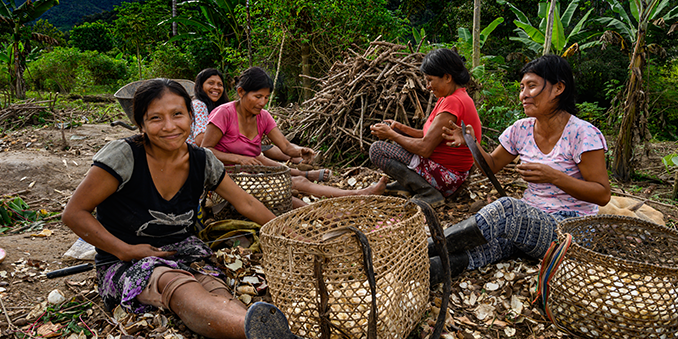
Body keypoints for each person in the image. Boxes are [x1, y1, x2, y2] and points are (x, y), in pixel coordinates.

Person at [62, 79, 310, 339]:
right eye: (156, 118)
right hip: (125, 260)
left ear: (192, 119)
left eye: (178, 115)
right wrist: (126, 250)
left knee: (215, 288)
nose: (169, 126)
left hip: (184, 248)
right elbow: (74, 214)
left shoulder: (201, 160)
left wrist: (283, 233)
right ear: (141, 124)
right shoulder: (124, 156)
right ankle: (266, 332)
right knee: (173, 282)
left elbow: (244, 202)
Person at [430, 54, 611, 283]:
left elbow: (602, 194)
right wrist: (471, 143)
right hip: (531, 222)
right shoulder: (521, 129)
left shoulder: (583, 134)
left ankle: (425, 247)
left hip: (570, 232)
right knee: (490, 245)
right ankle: (423, 268)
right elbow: (491, 166)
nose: (523, 95)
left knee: (507, 210)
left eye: (532, 86)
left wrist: (554, 176)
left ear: (558, 88)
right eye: (522, 87)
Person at [201, 67, 388, 207]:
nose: (263, 103)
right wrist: (239, 159)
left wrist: (300, 151)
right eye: (258, 96)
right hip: (223, 180)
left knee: (299, 183)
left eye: (266, 97)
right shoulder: (223, 114)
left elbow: (285, 147)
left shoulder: (263, 117)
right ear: (241, 92)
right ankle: (342, 207)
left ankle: (359, 194)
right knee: (288, 196)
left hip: (252, 176)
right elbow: (206, 150)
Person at [369, 48, 482, 207]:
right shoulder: (452, 98)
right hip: (451, 173)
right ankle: (411, 186)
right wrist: (399, 128)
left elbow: (425, 148)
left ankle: (428, 192)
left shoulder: (453, 103)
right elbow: (427, 135)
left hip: (447, 177)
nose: (427, 86)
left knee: (377, 150)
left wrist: (391, 135)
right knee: (398, 142)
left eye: (430, 80)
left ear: (447, 77)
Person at [189, 68, 229, 146]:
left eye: (220, 84)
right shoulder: (199, 105)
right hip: (195, 154)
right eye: (211, 83)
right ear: (200, 86)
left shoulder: (218, 107)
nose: (216, 87)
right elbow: (201, 140)